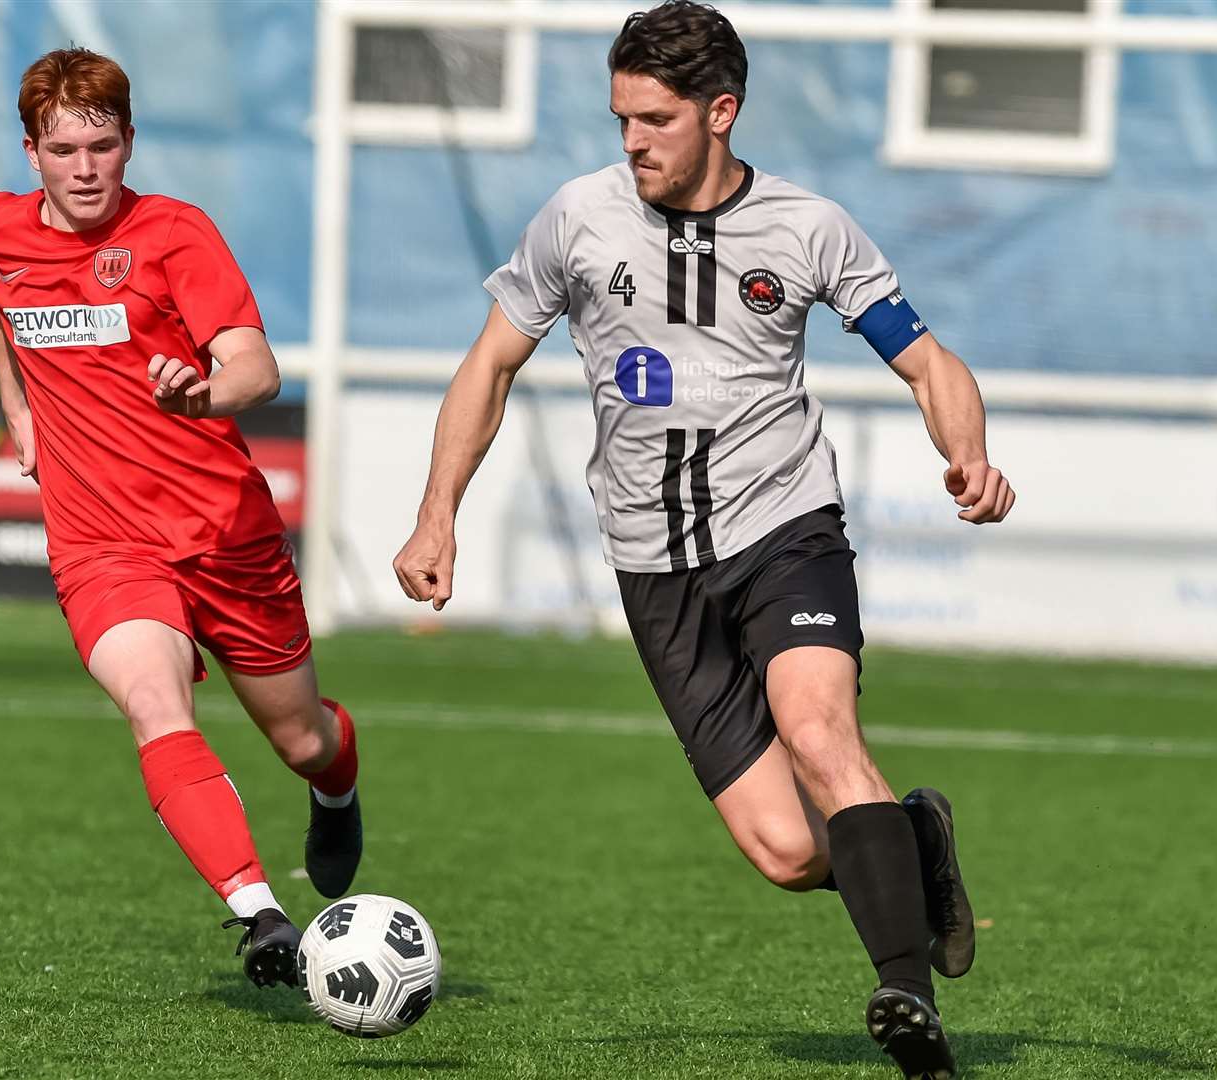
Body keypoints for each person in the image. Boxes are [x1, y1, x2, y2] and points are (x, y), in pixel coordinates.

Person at [393, 3, 1013, 1076]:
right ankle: (909, 839)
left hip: (783, 529)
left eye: (652, 119)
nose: (629, 139)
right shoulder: (576, 218)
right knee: (780, 851)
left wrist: (968, 456)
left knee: (818, 733)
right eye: (618, 117)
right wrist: (436, 509)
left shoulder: (807, 227)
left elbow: (925, 361)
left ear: (718, 112)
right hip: (653, 567)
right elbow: (488, 365)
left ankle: (905, 1000)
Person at [0, 48, 361, 989]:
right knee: (153, 701)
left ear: (130, 142)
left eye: (103, 145)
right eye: (65, 149)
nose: (86, 167)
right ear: (32, 154)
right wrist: (16, 408)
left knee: (301, 738)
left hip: (224, 535)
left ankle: (339, 787)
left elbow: (258, 368)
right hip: (103, 544)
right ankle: (259, 912)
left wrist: (203, 397)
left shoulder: (177, 235)